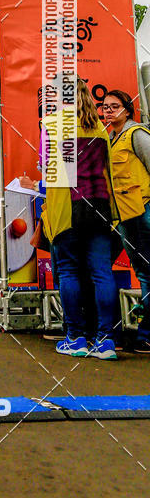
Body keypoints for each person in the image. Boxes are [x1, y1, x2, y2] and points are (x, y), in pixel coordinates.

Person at [42, 78, 119, 358]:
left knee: (69, 271)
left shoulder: (51, 125)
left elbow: (47, 170)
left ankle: (76, 338)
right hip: (99, 205)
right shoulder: (100, 128)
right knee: (101, 273)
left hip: (67, 207)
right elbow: (107, 170)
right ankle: (106, 341)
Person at [103, 89, 150, 354]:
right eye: (105, 107)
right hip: (124, 215)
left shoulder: (137, 135)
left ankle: (146, 334)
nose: (109, 111)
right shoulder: (111, 139)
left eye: (114, 106)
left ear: (127, 110)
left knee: (147, 272)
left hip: (143, 210)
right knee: (143, 271)